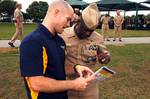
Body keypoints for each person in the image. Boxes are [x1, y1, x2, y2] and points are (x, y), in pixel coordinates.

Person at [20, 1, 94, 99]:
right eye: (68, 19)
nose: (68, 25)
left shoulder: (59, 41)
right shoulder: (32, 41)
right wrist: (73, 84)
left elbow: (58, 67)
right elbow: (36, 83)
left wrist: (77, 68)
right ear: (56, 12)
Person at [60, 3, 111, 99]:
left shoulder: (98, 38)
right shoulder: (63, 35)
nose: (88, 33)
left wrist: (106, 58)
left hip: (89, 88)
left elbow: (105, 56)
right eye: (85, 29)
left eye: (91, 31)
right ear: (78, 21)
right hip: (67, 85)